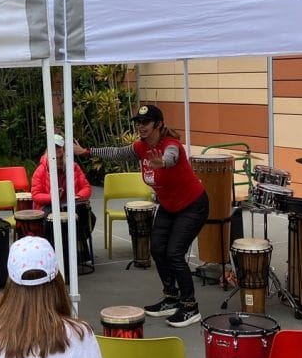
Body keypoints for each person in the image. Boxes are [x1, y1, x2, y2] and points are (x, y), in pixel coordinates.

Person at [74, 104, 208, 328]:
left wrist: (162, 162)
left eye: (145, 122)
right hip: (169, 206)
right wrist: (87, 151)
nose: (141, 126)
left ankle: (190, 307)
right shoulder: (140, 146)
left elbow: (172, 157)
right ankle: (171, 298)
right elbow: (117, 153)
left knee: (174, 253)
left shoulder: (171, 145)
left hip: (192, 206)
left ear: (158, 124)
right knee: (157, 249)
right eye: (138, 123)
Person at [31, 134, 92, 212]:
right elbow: (35, 195)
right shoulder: (41, 170)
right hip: (48, 205)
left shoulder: (74, 167)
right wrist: (53, 197)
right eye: (53, 147)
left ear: (64, 150)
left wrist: (78, 197)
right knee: (50, 216)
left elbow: (86, 187)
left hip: (71, 204)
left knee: (88, 214)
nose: (56, 149)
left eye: (58, 147)